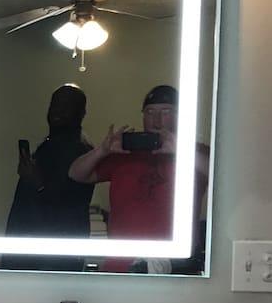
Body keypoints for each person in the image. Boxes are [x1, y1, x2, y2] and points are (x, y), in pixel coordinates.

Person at [67, 84, 210, 271]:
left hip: (175, 267)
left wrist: (183, 152)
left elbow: (225, 181)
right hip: (121, 265)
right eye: (150, 112)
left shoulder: (196, 152)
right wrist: (102, 150)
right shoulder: (124, 153)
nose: (156, 120)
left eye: (166, 111)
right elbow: (76, 174)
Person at [2, 84, 96, 271]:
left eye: (67, 107)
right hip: (28, 250)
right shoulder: (49, 145)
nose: (58, 112)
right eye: (55, 105)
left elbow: (71, 210)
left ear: (82, 113)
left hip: (51, 258)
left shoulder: (82, 153)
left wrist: (38, 184)